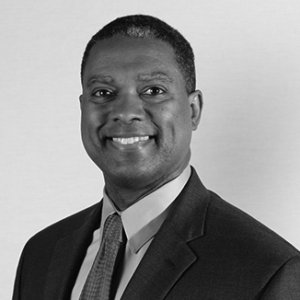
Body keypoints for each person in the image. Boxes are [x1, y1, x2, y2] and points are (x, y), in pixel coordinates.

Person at [13, 14, 300, 300]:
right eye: (103, 92)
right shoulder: (41, 254)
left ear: (193, 110)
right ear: (82, 108)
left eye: (153, 91)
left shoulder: (267, 271)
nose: (125, 111)